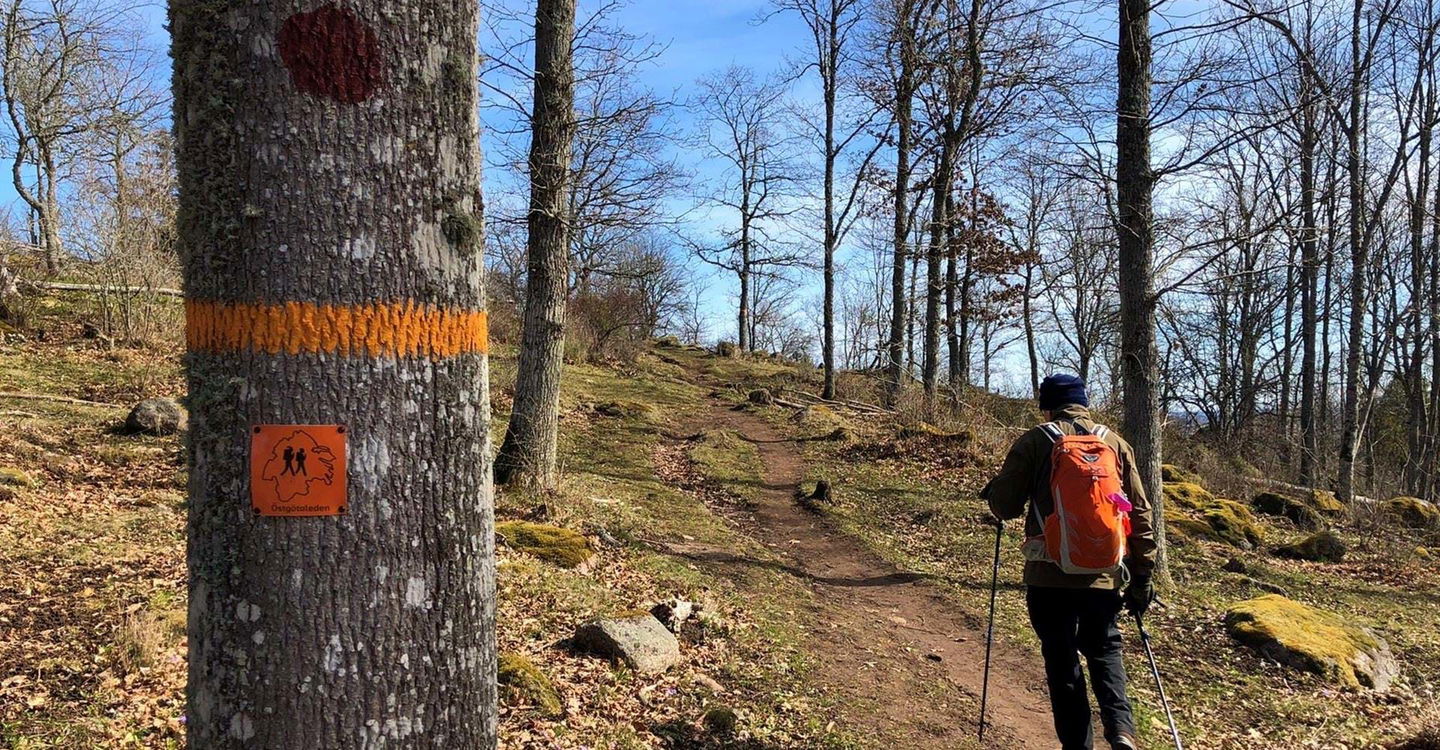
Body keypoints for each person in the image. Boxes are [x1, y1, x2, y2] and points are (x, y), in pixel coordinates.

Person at [981, 373, 1156, 750]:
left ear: (1046, 406)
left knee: (1061, 661)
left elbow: (1006, 506)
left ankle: (1078, 746)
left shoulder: (1035, 441)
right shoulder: (1115, 444)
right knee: (1106, 649)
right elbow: (1140, 511)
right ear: (1084, 402)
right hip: (1105, 574)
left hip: (1049, 575)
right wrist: (1142, 574)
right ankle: (1122, 731)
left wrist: (995, 492)